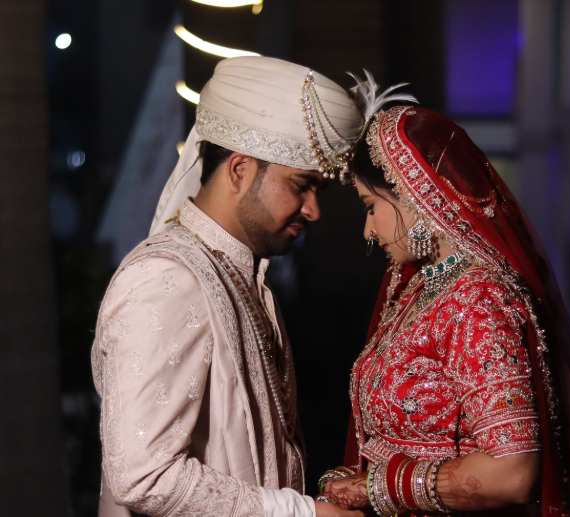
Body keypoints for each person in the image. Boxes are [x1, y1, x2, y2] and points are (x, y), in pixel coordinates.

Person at [319, 101, 570, 516]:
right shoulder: (422, 289)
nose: (368, 230)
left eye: (371, 206)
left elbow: (511, 473)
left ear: (412, 195)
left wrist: (375, 487)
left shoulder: (477, 301)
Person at [90, 56, 366, 517]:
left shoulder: (241, 275)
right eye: (302, 185)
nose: (313, 210)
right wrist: (302, 513)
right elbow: (142, 476)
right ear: (239, 170)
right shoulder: (166, 278)